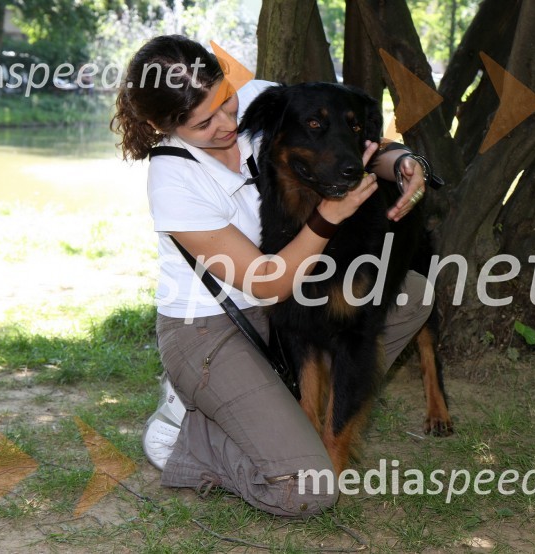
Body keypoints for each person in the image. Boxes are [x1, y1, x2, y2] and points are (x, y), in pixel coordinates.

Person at [111, 35, 433, 517]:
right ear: (163, 126)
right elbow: (266, 281)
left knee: (408, 293)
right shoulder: (173, 180)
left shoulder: (265, 102)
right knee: (307, 491)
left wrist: (404, 161)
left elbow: (359, 144)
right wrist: (330, 214)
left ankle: (267, 415)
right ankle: (194, 439)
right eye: (205, 122)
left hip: (276, 317)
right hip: (209, 331)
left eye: (225, 100)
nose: (227, 123)